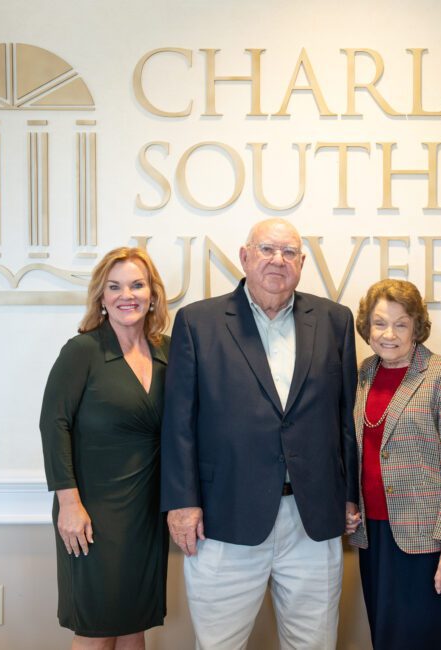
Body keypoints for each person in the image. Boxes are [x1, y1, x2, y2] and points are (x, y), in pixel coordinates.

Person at [161, 218, 359, 650]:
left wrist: (349, 494)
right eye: (267, 249)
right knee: (218, 645)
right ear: (245, 256)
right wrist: (181, 503)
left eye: (289, 253)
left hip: (312, 520)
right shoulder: (198, 322)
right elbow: (178, 423)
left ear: (302, 263)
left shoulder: (334, 320)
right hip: (222, 517)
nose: (278, 260)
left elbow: (344, 418)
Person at [39, 247, 172, 649]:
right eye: (114, 287)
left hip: (147, 512)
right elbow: (53, 425)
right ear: (101, 296)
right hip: (92, 512)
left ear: (152, 295)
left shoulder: (168, 350)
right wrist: (69, 505)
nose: (126, 295)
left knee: (135, 625)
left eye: (136, 284)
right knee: (97, 630)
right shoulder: (83, 351)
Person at [349, 279, 441, 649]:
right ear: (366, 327)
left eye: (401, 323)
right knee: (385, 636)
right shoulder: (362, 373)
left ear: (417, 327)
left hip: (427, 539)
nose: (389, 334)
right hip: (373, 533)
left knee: (424, 638)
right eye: (379, 323)